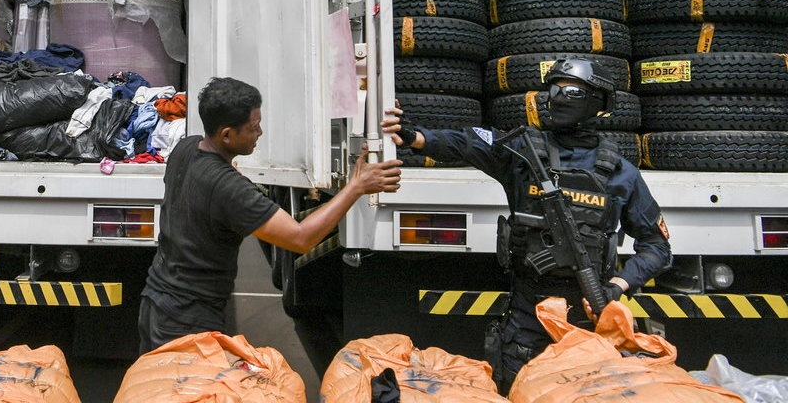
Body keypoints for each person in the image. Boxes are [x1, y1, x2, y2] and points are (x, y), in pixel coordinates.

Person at [381, 57, 672, 395]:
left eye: (573, 91)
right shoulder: (522, 152)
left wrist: (616, 287)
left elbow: (657, 248)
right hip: (526, 316)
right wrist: (413, 134)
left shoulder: (621, 173)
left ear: (598, 103)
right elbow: (465, 142)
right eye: (555, 89)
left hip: (588, 317)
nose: (560, 98)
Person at [138, 76, 403, 353]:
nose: (260, 132)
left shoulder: (186, 149)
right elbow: (300, 239)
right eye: (253, 128)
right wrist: (356, 187)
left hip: (157, 301)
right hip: (187, 320)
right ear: (227, 135)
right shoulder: (228, 188)